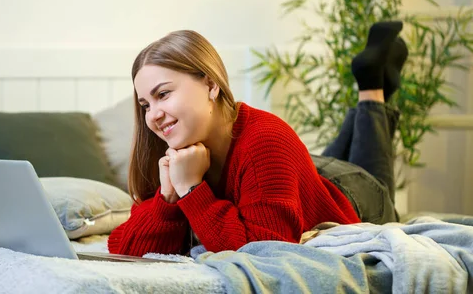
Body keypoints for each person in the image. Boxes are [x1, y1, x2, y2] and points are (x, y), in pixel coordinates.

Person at [108, 22, 408, 257]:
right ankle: (371, 87)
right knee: (309, 172)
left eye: (163, 94)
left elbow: (266, 252)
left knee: (376, 188)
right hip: (299, 180)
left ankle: (371, 89)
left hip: (353, 193)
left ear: (211, 84)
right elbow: (124, 247)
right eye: (146, 105)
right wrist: (168, 197)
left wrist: (192, 190)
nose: (153, 116)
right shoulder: (173, 152)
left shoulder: (266, 140)